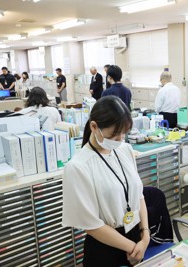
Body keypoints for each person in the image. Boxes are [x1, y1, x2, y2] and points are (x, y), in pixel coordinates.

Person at [62, 96, 150, 266]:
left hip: (136, 236)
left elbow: (138, 195)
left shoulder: (125, 150)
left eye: (123, 134)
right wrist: (133, 247)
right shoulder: (78, 167)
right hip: (105, 246)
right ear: (94, 127)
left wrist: (145, 235)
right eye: (114, 136)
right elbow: (91, 225)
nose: (120, 140)